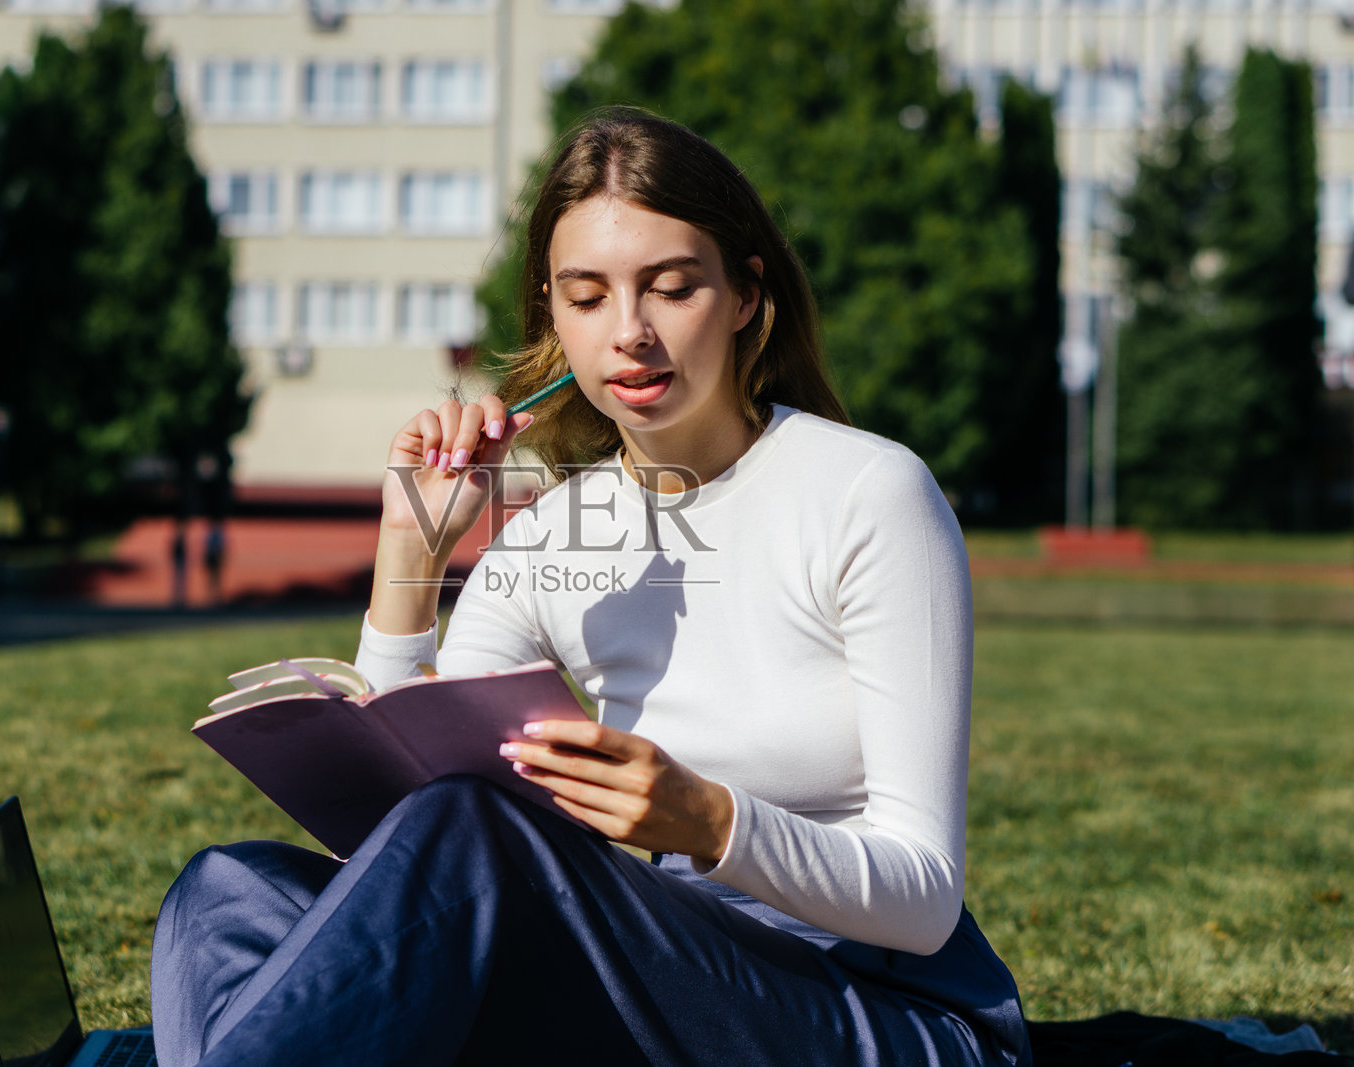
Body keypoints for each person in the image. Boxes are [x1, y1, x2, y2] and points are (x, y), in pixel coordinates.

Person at [151, 108, 1031, 1066]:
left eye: (672, 287)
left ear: (744, 294)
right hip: (667, 977)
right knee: (228, 889)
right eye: (587, 296)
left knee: (476, 835)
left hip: (888, 1008)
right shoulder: (554, 537)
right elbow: (399, 834)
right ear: (552, 312)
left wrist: (708, 820)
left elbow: (925, 892)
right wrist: (412, 551)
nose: (631, 334)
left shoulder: (869, 491)